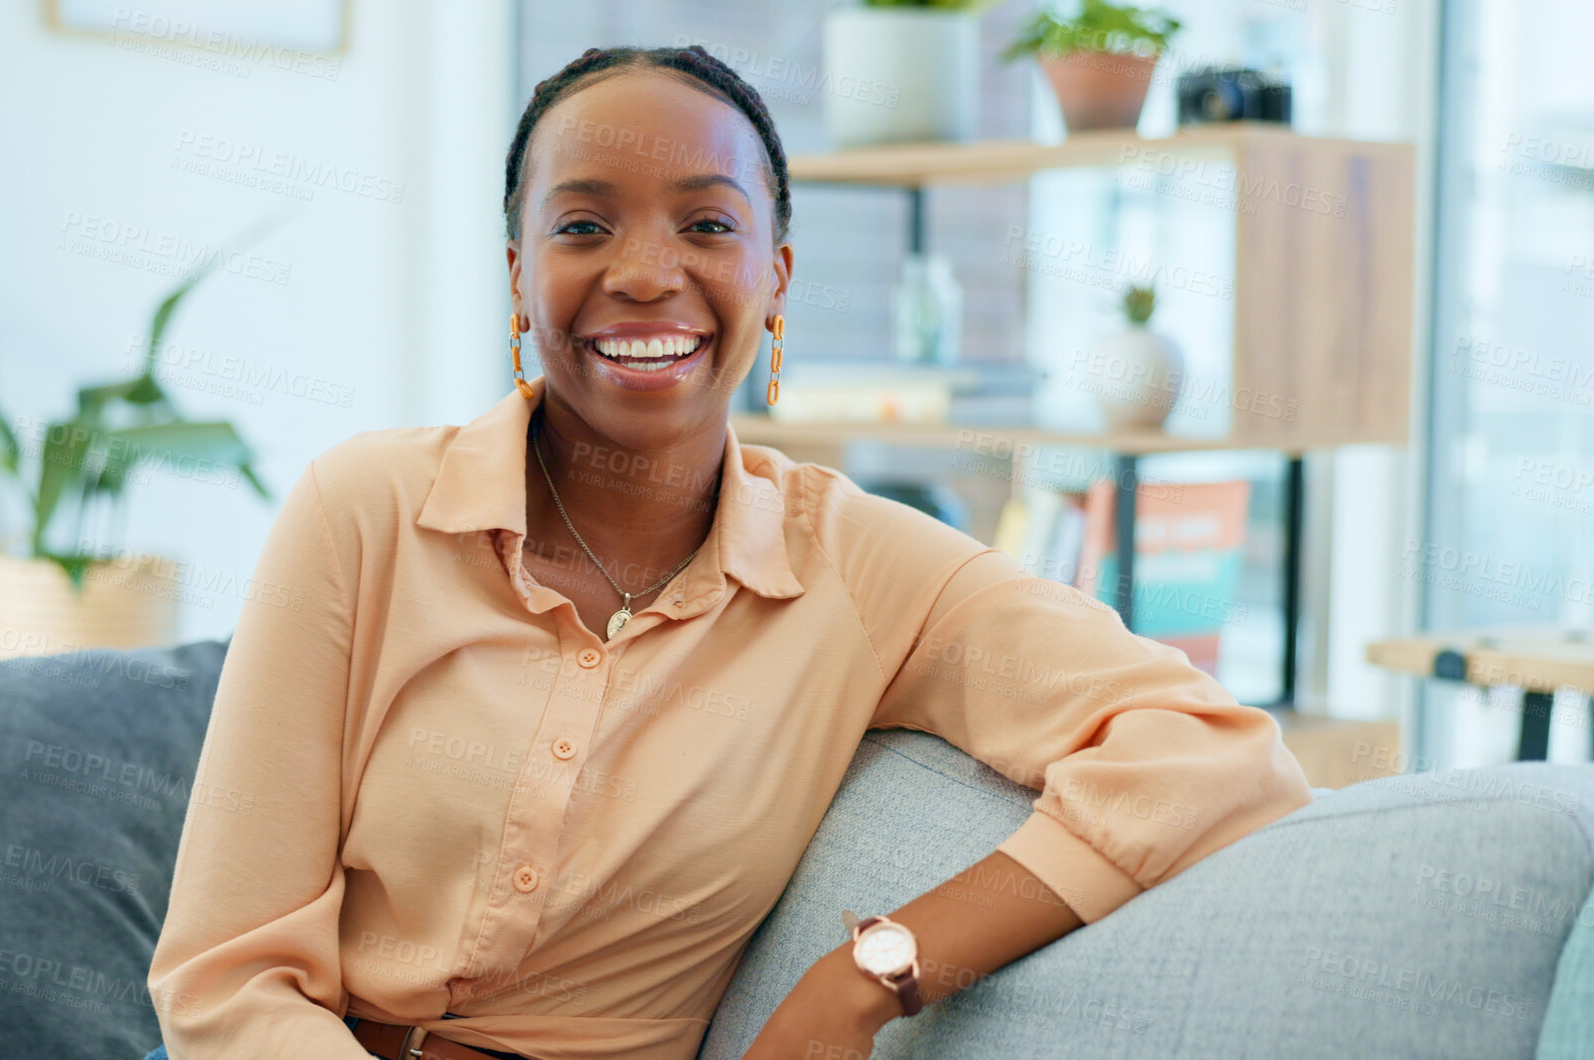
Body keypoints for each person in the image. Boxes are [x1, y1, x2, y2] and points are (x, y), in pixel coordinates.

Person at [143, 43, 1315, 1060]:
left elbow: (1209, 748)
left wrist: (870, 974)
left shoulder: (862, 570)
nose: (646, 273)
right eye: (583, 223)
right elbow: (222, 976)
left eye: (707, 224)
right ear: (517, 275)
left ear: (776, 277)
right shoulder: (363, 511)